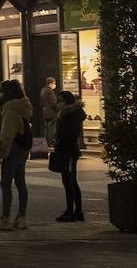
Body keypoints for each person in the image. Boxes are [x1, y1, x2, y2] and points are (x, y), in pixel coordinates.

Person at [0, 79, 34, 231]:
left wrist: (1, 151)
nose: (0, 95)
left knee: (6, 183)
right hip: (23, 147)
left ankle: (5, 218)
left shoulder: (10, 108)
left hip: (12, 148)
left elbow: (7, 134)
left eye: (2, 91)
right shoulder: (24, 106)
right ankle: (22, 217)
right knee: (20, 182)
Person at [51, 90, 86, 222]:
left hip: (67, 150)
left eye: (60, 100)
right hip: (70, 150)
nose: (58, 103)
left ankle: (70, 211)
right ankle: (76, 211)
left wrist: (58, 144)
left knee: (69, 181)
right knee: (71, 180)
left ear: (67, 101)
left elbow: (68, 134)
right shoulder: (72, 113)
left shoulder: (68, 114)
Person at [40, 77, 60, 148]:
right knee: (52, 128)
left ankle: (46, 143)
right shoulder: (50, 91)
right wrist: (58, 109)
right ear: (50, 83)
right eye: (54, 83)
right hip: (51, 112)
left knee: (47, 128)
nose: (55, 85)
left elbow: (41, 102)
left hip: (45, 112)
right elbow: (53, 102)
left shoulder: (43, 90)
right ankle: (50, 142)